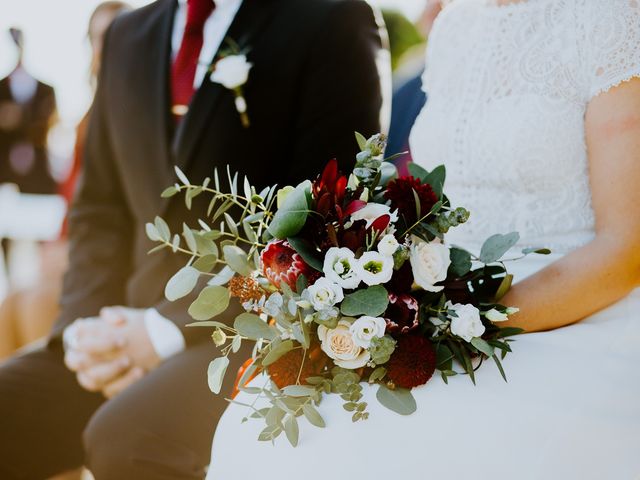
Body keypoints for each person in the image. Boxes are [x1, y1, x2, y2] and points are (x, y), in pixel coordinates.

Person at [208, 0, 640, 478]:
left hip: (582, 312)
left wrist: (463, 326)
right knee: (258, 434)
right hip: (448, 297)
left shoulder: (612, 17)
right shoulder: (455, 25)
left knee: (402, 447)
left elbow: (626, 250)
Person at [0, 0, 388, 479]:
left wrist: (162, 332)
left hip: (255, 334)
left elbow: (327, 218)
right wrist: (85, 334)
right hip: (120, 326)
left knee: (128, 443)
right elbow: (99, 209)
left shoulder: (330, 19)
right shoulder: (127, 33)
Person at [0, 2, 131, 362]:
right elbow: (75, 198)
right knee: (9, 306)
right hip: (77, 244)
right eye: (98, 38)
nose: (106, 47)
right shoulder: (87, 119)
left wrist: (72, 250)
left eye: (115, 34)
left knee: (35, 306)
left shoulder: (138, 114)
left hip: (114, 256)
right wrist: (58, 243)